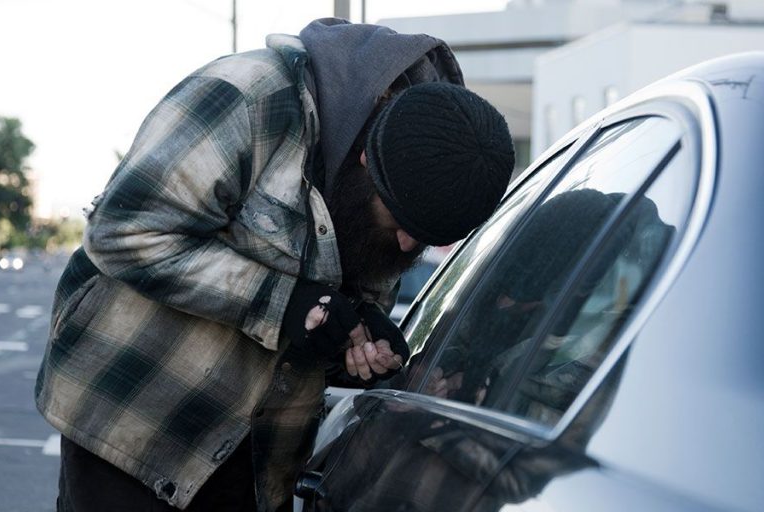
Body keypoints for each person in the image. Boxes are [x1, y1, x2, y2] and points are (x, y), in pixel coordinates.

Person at [34, 17, 515, 512]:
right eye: (401, 221)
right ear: (369, 159)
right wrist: (284, 305)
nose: (407, 242)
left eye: (425, 240)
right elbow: (123, 230)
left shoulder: (426, 170)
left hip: (261, 462)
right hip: (134, 423)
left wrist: (356, 342)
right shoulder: (249, 97)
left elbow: (325, 317)